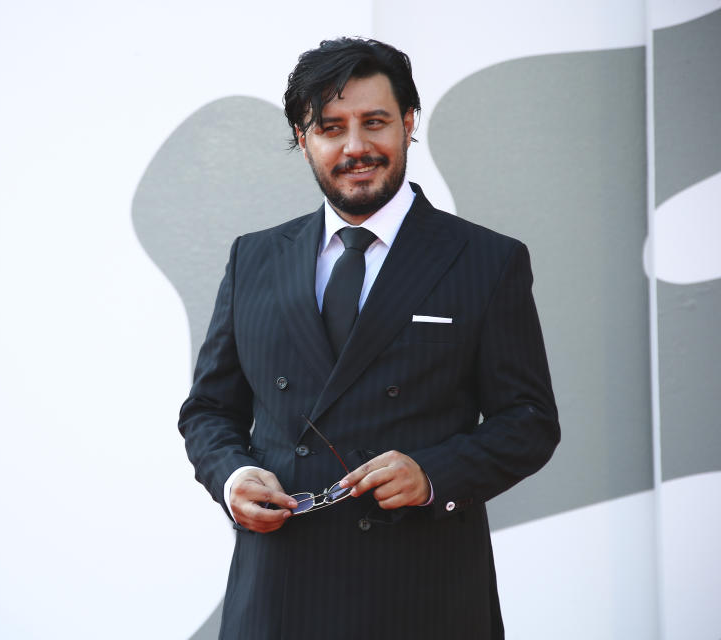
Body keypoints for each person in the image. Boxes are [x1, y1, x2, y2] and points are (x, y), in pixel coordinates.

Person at [179, 37, 560, 639]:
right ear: (303, 140)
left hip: (423, 595)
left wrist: (433, 473)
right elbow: (208, 410)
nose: (355, 147)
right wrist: (233, 478)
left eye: (374, 122)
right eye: (331, 127)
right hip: (278, 595)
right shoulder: (253, 258)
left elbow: (530, 420)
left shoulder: (486, 260)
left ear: (409, 124)